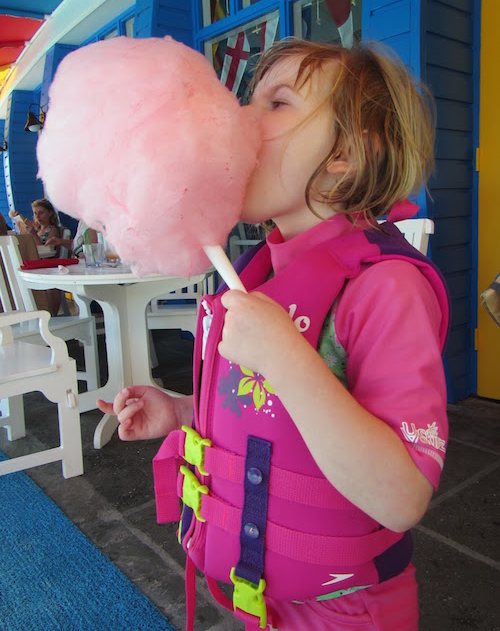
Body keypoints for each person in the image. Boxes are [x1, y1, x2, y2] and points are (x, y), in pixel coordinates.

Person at [97, 39, 449, 631]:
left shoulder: (385, 288)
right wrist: (184, 412)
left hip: (348, 613)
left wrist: (285, 354)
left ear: (347, 152)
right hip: (260, 597)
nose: (239, 119)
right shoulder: (262, 272)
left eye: (278, 103)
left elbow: (403, 495)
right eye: (247, 100)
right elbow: (268, 416)